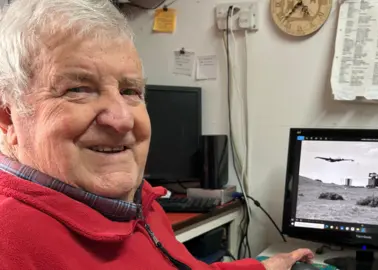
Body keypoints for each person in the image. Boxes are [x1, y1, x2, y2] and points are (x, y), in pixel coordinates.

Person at [0, 0, 314, 269]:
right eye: (78, 89)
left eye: (130, 90)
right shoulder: (10, 242)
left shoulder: (136, 201)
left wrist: (263, 266)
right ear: (7, 117)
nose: (122, 119)